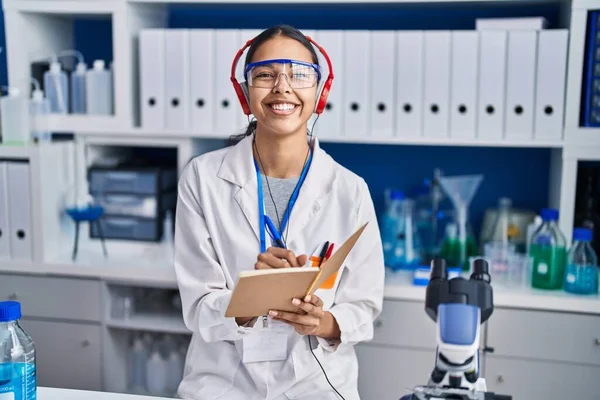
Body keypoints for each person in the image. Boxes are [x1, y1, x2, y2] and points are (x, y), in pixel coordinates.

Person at [173, 24, 385, 400]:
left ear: (320, 92)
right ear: (244, 92)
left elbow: (364, 305)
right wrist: (250, 299)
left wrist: (325, 322)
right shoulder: (202, 178)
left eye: (299, 74)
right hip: (224, 385)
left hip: (318, 388)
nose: (282, 87)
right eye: (265, 74)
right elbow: (198, 305)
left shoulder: (350, 190)